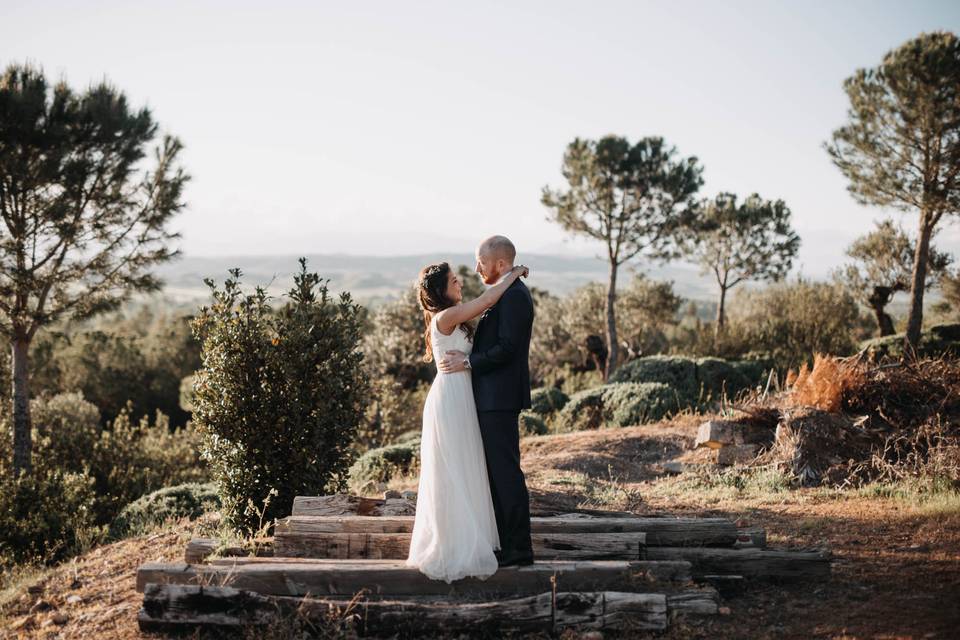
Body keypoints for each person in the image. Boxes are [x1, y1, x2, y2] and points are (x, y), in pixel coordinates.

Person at [404, 258, 529, 582]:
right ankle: (454, 543)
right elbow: (488, 299)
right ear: (442, 291)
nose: (460, 283)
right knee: (455, 469)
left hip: (464, 396)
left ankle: (478, 538)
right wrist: (513, 274)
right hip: (450, 399)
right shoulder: (446, 317)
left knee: (467, 467)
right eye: (454, 280)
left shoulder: (451, 318)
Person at [438, 235, 535, 567]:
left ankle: (519, 549)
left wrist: (467, 363)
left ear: (501, 264)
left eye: (481, 260)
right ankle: (504, 543)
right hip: (487, 397)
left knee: (505, 473)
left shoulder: (515, 298)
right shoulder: (504, 294)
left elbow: (507, 347)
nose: (476, 267)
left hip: (499, 399)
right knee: (494, 473)